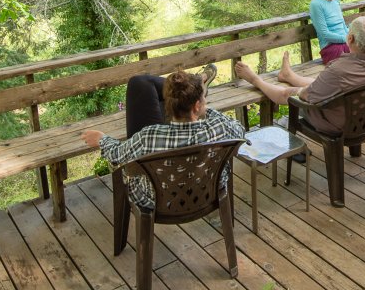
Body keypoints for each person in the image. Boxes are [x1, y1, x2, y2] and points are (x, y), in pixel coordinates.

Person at [81, 69, 244, 209]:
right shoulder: (219, 128)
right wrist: (204, 109)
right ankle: (198, 83)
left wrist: (101, 139)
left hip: (157, 201)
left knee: (139, 84)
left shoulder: (149, 137)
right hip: (208, 192)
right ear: (197, 106)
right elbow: (239, 130)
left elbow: (117, 155)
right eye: (204, 97)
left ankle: (191, 85)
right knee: (141, 84)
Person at [235, 15, 365, 134]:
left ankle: (255, 79)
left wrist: (297, 91)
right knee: (323, 84)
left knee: (288, 94)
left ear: (349, 38)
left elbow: (307, 95)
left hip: (340, 123)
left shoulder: (339, 70)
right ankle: (288, 76)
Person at [309, 0, 350, 64]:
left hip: (346, 42)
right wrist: (347, 39)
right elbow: (325, 34)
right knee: (362, 56)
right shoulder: (316, 4)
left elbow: (342, 24)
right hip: (330, 48)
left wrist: (351, 35)